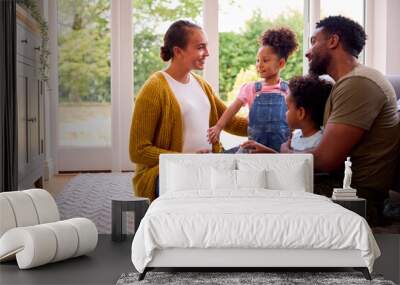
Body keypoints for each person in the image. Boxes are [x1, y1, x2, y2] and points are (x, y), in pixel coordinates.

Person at [242, 16, 400, 226]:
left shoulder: (358, 83)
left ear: (333, 41)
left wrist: (284, 154)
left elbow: (326, 160)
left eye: (314, 41)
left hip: (353, 197)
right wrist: (275, 154)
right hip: (336, 184)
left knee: (250, 186)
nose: (308, 52)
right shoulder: (347, 83)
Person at [129, 20, 247, 201]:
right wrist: (185, 158)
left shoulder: (201, 85)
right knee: (205, 185)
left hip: (208, 164)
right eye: (200, 47)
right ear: (178, 51)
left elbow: (230, 120)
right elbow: (138, 151)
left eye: (206, 47)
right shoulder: (154, 88)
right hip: (169, 172)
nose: (207, 53)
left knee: (250, 151)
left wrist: (278, 124)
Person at [207, 28, 298, 152]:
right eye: (257, 60)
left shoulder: (289, 90)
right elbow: (232, 109)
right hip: (253, 151)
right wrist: (218, 127)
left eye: (265, 60)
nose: (259, 64)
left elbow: (296, 117)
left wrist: (293, 136)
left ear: (281, 63)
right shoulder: (250, 89)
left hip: (280, 152)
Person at [241, 75, 333, 153]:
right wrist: (265, 150)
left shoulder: (319, 142)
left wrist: (283, 151)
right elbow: (286, 162)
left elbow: (295, 165)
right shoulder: (295, 137)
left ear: (301, 113)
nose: (285, 113)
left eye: (287, 108)